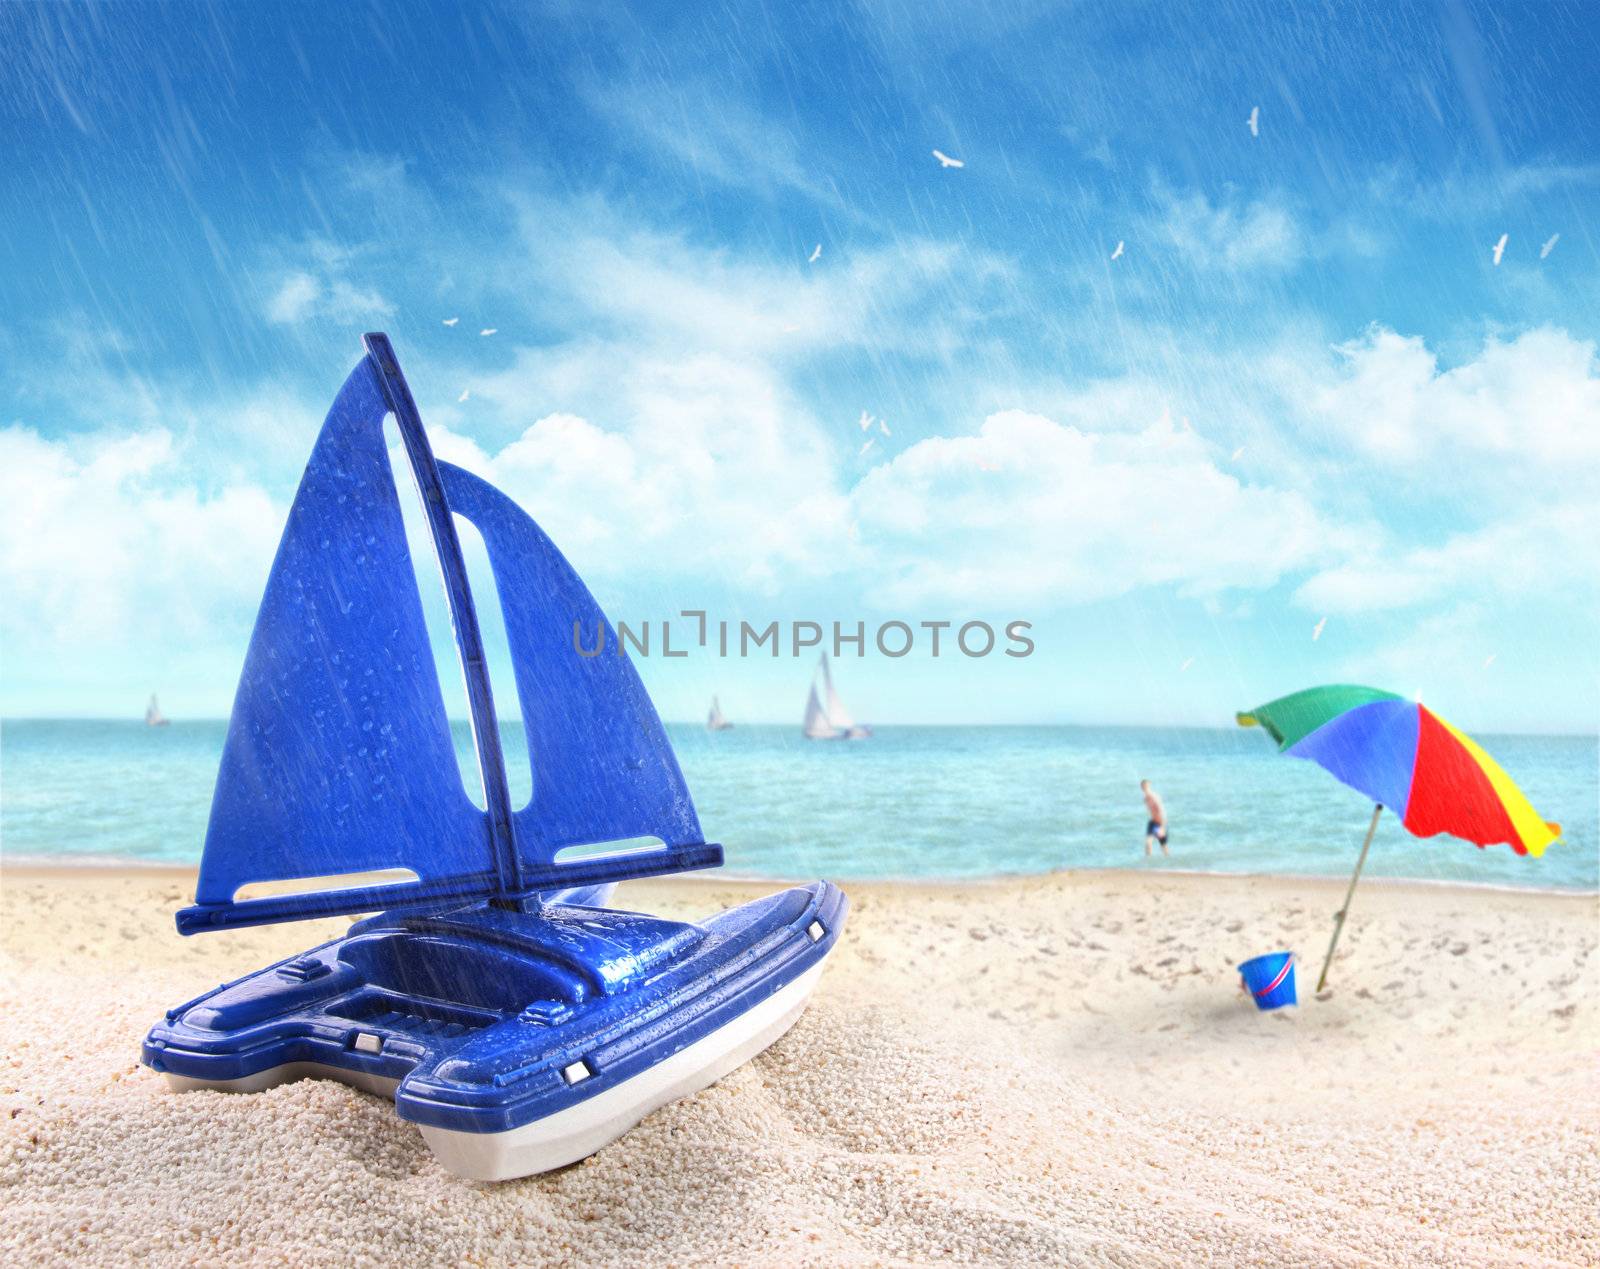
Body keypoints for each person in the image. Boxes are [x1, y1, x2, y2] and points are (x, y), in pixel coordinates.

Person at [1141, 779, 1169, 857]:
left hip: (1160, 824)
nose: (1145, 789)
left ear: (1149, 786)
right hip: (1153, 823)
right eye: (1143, 787)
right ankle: (1148, 865)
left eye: (1146, 787)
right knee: (1148, 843)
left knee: (1163, 846)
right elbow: (1151, 811)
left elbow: (1162, 811)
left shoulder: (1155, 797)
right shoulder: (1145, 799)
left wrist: (1162, 827)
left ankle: (1169, 864)